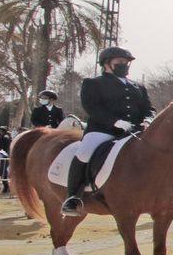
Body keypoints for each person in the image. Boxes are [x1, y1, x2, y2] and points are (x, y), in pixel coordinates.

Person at [62, 47, 155, 216]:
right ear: (107, 64)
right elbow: (91, 107)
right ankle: (73, 197)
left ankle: (160, 192)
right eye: (119, 62)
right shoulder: (93, 83)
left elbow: (148, 108)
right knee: (84, 153)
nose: (124, 65)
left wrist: (148, 119)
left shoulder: (138, 87)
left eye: (126, 63)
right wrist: (116, 122)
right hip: (102, 130)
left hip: (134, 131)